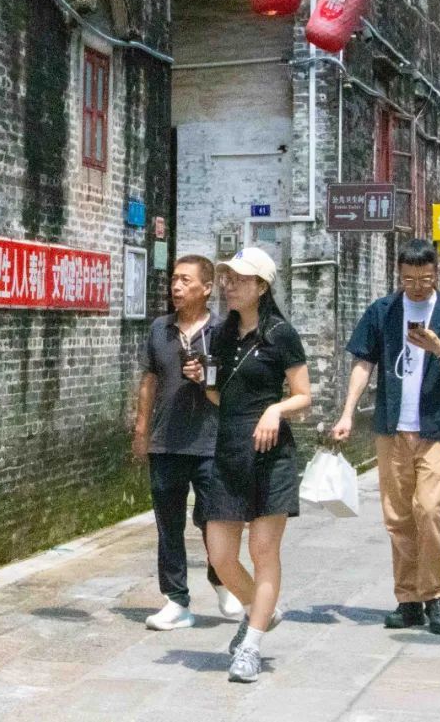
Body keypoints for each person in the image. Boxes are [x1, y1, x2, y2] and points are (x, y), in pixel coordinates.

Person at [330, 239, 440, 636]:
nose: (417, 286)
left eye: (425, 279)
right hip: (392, 428)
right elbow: (363, 362)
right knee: (398, 517)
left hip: (435, 428)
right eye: (409, 279)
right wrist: (347, 413)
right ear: (399, 275)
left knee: (431, 509)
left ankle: (435, 597)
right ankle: (408, 601)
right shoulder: (383, 311)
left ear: (435, 274)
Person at [190, 247, 311, 683]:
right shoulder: (222, 335)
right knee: (220, 555)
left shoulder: (281, 334)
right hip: (228, 452)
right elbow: (219, 397)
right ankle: (260, 609)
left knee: (262, 552)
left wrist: (275, 410)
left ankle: (251, 645)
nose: (230, 285)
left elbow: (303, 396)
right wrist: (201, 378)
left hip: (270, 454)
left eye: (240, 279)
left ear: (261, 286)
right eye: (227, 278)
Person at [133, 255, 244, 630]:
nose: (176, 287)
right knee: (168, 525)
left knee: (214, 519)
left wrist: (206, 377)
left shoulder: (225, 330)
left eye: (185, 280)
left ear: (207, 288)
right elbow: (149, 381)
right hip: (166, 441)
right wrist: (141, 430)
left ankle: (221, 577)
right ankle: (176, 600)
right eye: (174, 280)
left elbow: (238, 386)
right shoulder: (160, 329)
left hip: (212, 442)